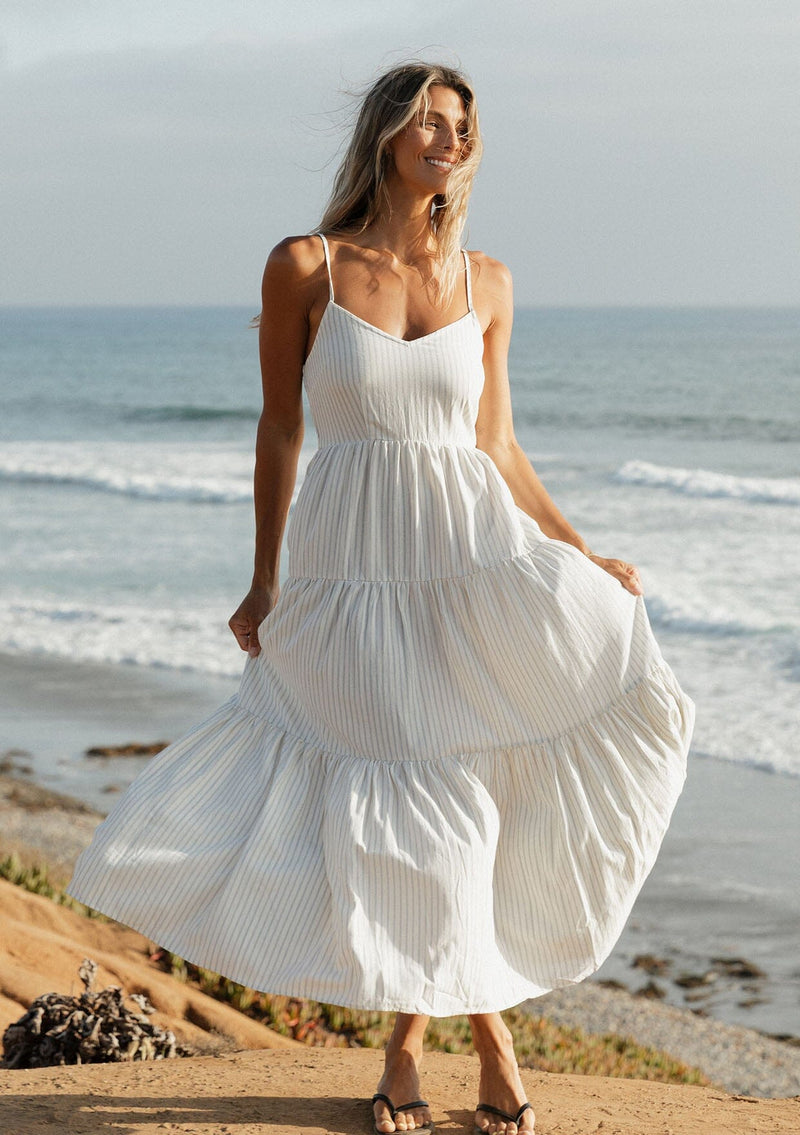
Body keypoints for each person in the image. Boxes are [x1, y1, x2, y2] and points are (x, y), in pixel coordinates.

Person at [67, 62, 694, 1135]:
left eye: (460, 126)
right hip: (348, 569)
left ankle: (413, 1047)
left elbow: (495, 444)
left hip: (466, 564)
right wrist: (262, 578)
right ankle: (483, 1042)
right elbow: (279, 429)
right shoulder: (305, 264)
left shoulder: (487, 280)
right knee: (417, 795)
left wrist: (580, 554)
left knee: (452, 793)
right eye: (427, 121)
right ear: (386, 134)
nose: (446, 139)